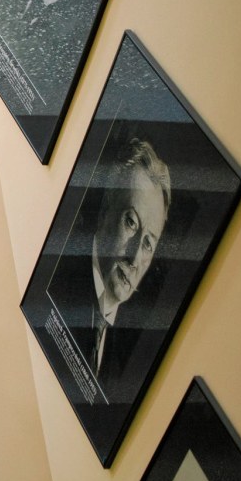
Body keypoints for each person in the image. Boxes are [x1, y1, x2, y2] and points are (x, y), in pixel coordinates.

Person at [47, 137, 171, 392]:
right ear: (105, 209)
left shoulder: (119, 360)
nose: (136, 257)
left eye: (148, 244)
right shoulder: (55, 278)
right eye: (131, 223)